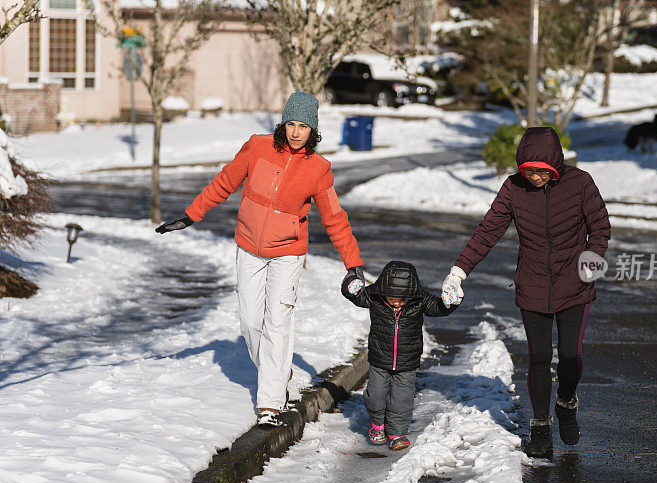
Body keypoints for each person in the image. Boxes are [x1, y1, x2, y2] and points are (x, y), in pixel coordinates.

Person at [156, 92, 365, 426]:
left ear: (313, 130)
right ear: (284, 124)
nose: (297, 133)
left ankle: (270, 403)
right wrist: (190, 215)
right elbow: (224, 182)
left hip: (288, 254)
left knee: (277, 322)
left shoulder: (319, 170)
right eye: (292, 125)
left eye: (304, 127)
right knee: (251, 322)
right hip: (249, 246)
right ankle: (278, 370)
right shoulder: (257, 147)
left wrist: (353, 263)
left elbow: (335, 218)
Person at [441, 127, 611, 457]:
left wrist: (589, 265)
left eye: (541, 170)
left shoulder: (580, 183)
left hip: (574, 284)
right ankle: (541, 426)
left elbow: (600, 228)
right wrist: (458, 272)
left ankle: (566, 401)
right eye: (528, 170)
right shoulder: (513, 189)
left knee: (571, 357)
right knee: (539, 357)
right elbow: (487, 232)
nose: (534, 176)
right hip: (532, 285)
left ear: (555, 167)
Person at [342, 260, 459, 451]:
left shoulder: (420, 300)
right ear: (384, 290)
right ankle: (378, 425)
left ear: (411, 294)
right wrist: (350, 287)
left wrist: (449, 302)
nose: (396, 302)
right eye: (392, 297)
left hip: (407, 360)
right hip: (380, 358)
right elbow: (357, 295)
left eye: (402, 299)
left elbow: (438, 308)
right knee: (376, 395)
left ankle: (397, 433)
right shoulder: (375, 297)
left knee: (402, 399)